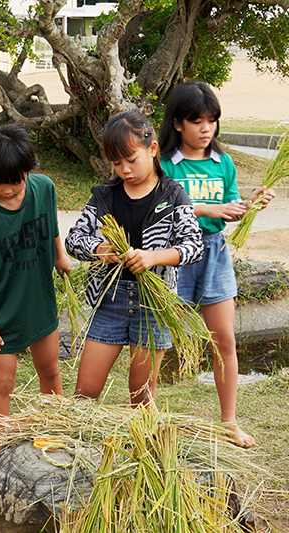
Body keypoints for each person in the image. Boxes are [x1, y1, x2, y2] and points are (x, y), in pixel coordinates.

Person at [159, 81, 275, 447]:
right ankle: (144, 417)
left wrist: (250, 202)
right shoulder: (162, 163)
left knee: (224, 341)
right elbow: (159, 208)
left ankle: (229, 422)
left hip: (214, 254)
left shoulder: (222, 162)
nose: (206, 128)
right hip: (173, 255)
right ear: (178, 123)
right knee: (157, 340)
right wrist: (205, 209)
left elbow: (230, 206)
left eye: (212, 121)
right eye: (197, 121)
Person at [66, 110, 203, 407]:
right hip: (110, 301)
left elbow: (194, 246)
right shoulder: (104, 195)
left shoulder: (173, 196)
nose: (124, 170)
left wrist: (154, 257)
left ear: (152, 149)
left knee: (141, 397)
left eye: (131, 160)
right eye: (116, 163)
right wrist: (100, 250)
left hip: (153, 305)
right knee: (85, 393)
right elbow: (73, 240)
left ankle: (143, 449)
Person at [0, 125, 72, 428]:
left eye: (16, 183)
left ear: (27, 171)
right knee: (3, 382)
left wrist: (59, 255)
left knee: (49, 370)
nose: (8, 189)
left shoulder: (44, 188)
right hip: (1, 312)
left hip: (38, 299)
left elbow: (51, 222)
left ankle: (57, 434)